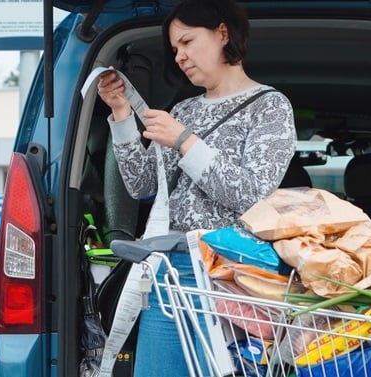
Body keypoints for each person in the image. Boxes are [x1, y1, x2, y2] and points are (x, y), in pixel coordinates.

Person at [96, 0, 296, 375]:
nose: (180, 57)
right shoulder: (184, 110)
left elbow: (253, 196)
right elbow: (141, 185)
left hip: (230, 276)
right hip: (167, 270)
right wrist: (121, 113)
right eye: (174, 50)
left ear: (223, 33)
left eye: (187, 42)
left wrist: (185, 141)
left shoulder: (269, 107)